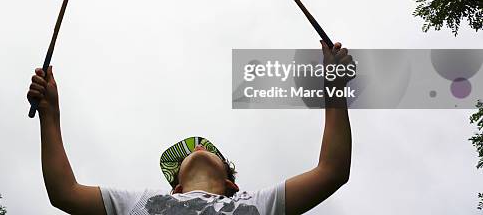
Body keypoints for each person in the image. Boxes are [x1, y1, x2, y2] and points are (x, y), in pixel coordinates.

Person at [26, 41, 353, 215]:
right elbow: (64, 194)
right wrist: (49, 115)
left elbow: (332, 171)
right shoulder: (140, 205)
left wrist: (335, 87)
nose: (199, 148)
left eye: (208, 149)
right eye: (195, 150)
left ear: (231, 184)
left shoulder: (258, 204)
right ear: (176, 190)